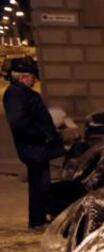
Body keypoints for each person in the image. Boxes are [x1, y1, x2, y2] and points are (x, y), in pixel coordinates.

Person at [4, 58, 63, 228]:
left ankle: (42, 216)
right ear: (22, 77)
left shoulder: (22, 93)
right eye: (31, 77)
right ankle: (37, 220)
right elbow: (20, 123)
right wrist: (43, 135)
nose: (34, 80)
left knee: (43, 183)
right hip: (33, 147)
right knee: (38, 185)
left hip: (37, 147)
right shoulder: (16, 94)